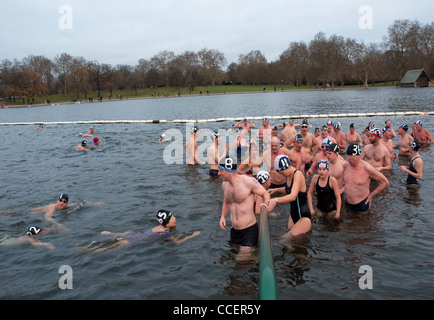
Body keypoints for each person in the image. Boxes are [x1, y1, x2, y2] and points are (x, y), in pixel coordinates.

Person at [218, 157, 271, 260]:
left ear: (228, 170)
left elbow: (265, 193)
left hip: (249, 230)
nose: (219, 174)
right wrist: (222, 217)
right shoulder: (225, 185)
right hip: (234, 231)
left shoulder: (248, 182)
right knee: (233, 258)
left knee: (240, 262)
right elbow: (226, 201)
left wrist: (266, 203)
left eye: (221, 171)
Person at [97, 210, 200, 252]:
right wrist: (191, 236)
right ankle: (84, 250)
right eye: (173, 218)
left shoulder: (158, 226)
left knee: (126, 234)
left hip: (133, 234)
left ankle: (111, 234)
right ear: (167, 223)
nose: (175, 218)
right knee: (104, 251)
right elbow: (177, 242)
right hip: (133, 241)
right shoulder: (166, 232)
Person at [267, 155, 312, 238]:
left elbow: (293, 196)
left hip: (303, 217)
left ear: (286, 167)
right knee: (290, 242)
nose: (282, 175)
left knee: (285, 240)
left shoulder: (297, 175)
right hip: (293, 214)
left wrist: (275, 200)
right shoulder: (289, 176)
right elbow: (288, 189)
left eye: (282, 173)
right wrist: (276, 190)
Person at [343, 144, 389, 212]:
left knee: (364, 221)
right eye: (347, 156)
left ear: (358, 156)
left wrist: (371, 195)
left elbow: (385, 182)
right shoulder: (346, 165)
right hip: (347, 203)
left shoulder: (367, 168)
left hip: (362, 204)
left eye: (350, 156)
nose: (348, 159)